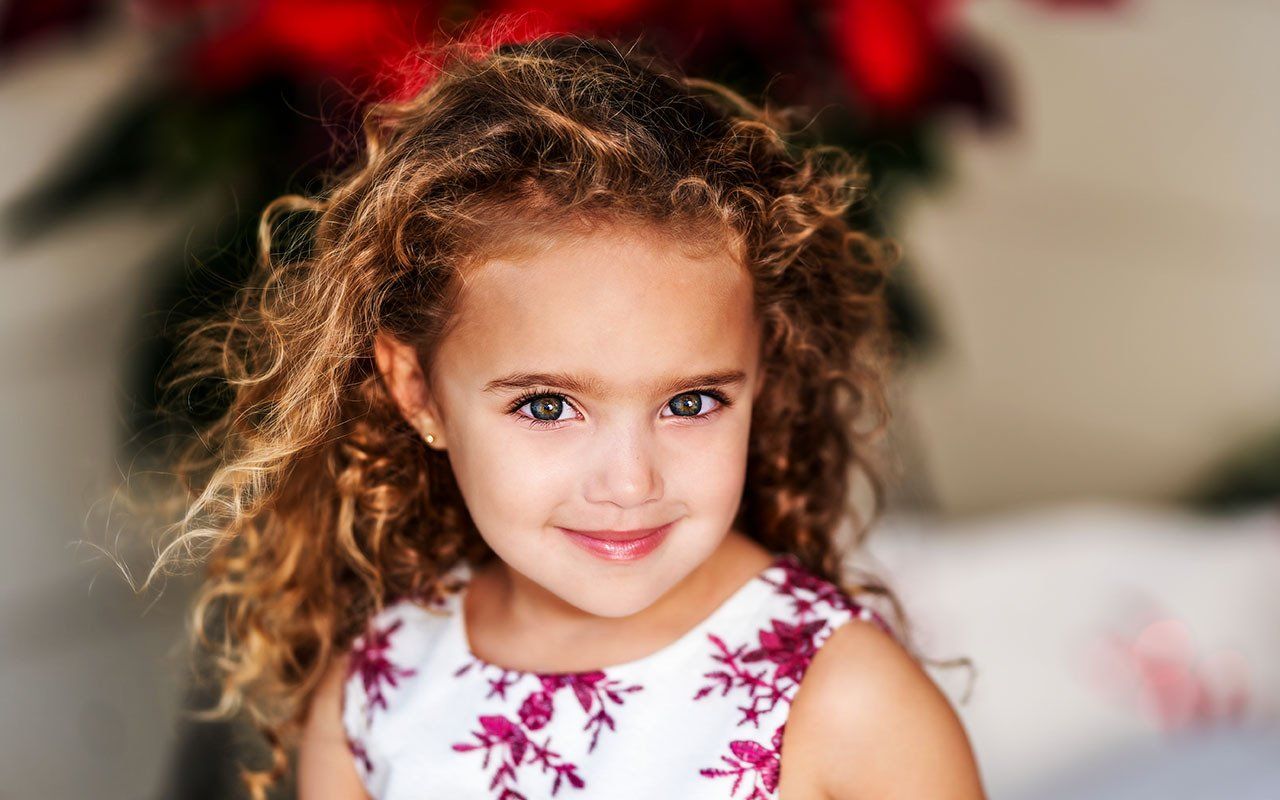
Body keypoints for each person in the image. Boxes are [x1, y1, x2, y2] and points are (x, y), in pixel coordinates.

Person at [148, 25, 985, 800]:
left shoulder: (844, 702)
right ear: (417, 391)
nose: (630, 482)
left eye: (691, 402)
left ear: (761, 375)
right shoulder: (378, 689)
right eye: (548, 406)